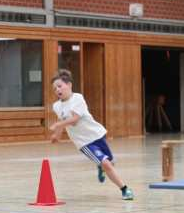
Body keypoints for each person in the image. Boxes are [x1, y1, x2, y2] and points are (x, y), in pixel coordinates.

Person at [49, 69, 134, 200]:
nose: (57, 90)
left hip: (97, 134)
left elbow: (74, 119)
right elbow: (62, 120)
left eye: (59, 86)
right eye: (54, 89)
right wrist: (57, 135)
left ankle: (100, 166)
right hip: (84, 143)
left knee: (109, 163)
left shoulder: (78, 98)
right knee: (106, 164)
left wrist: (57, 126)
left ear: (69, 85)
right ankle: (125, 189)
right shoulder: (56, 106)